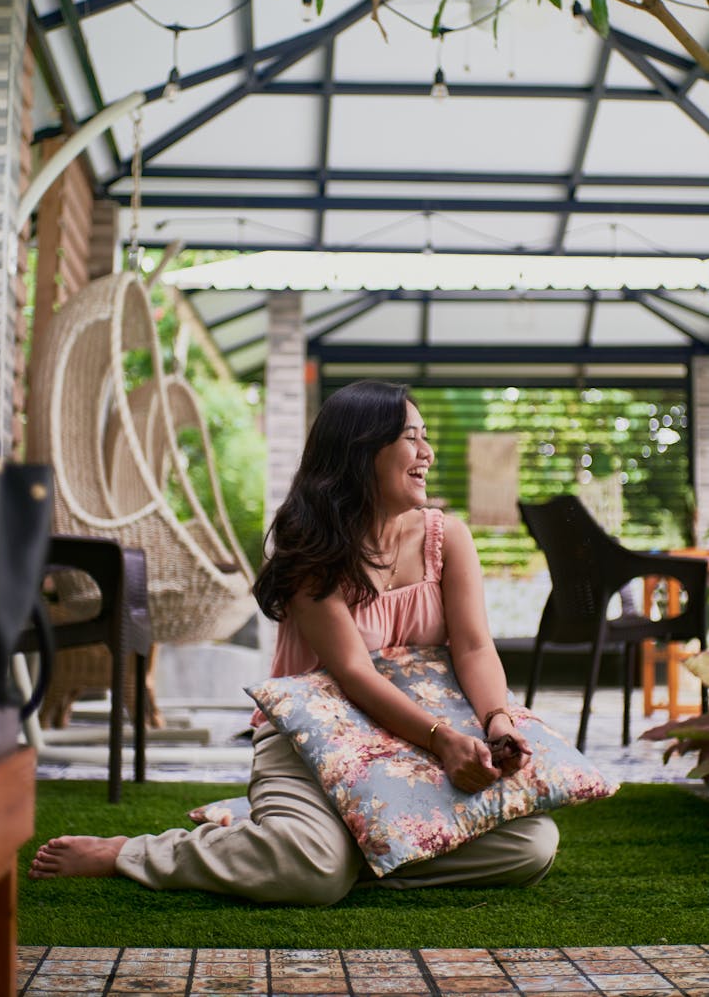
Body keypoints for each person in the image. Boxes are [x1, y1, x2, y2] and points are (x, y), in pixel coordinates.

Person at [29, 380, 558, 902]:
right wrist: (443, 740)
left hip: (415, 746)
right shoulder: (309, 546)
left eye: (425, 436)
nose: (428, 451)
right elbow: (354, 673)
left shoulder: (448, 537)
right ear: (361, 452)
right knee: (313, 873)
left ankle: (329, 849)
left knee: (530, 846)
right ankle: (136, 852)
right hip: (312, 743)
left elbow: (473, 647)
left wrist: (496, 723)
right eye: (410, 438)